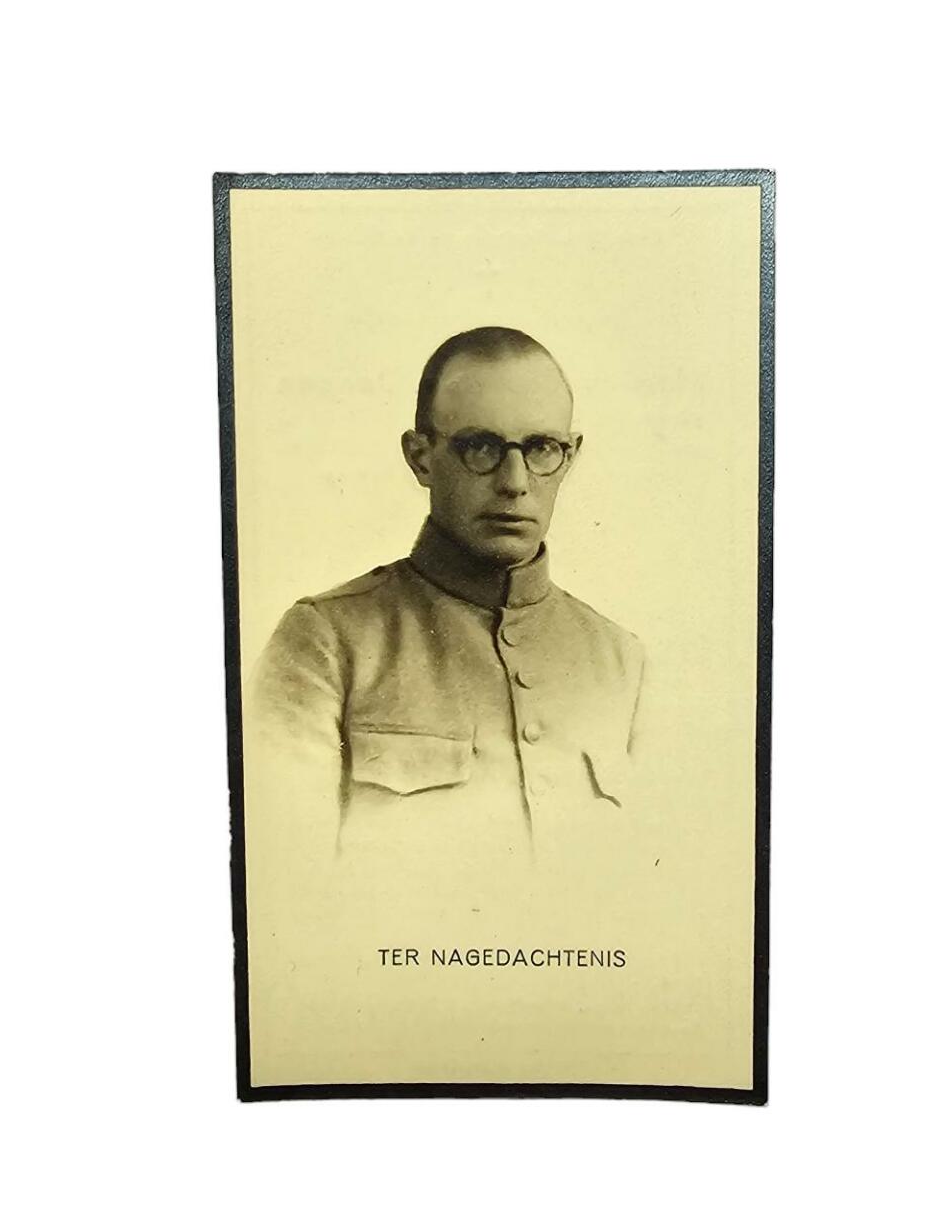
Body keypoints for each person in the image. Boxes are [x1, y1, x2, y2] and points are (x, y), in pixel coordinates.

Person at [245, 326, 645, 869]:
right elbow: (288, 884)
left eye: (541, 448)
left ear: (570, 457)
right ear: (421, 457)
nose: (514, 481)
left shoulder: (622, 660)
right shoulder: (326, 642)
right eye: (480, 447)